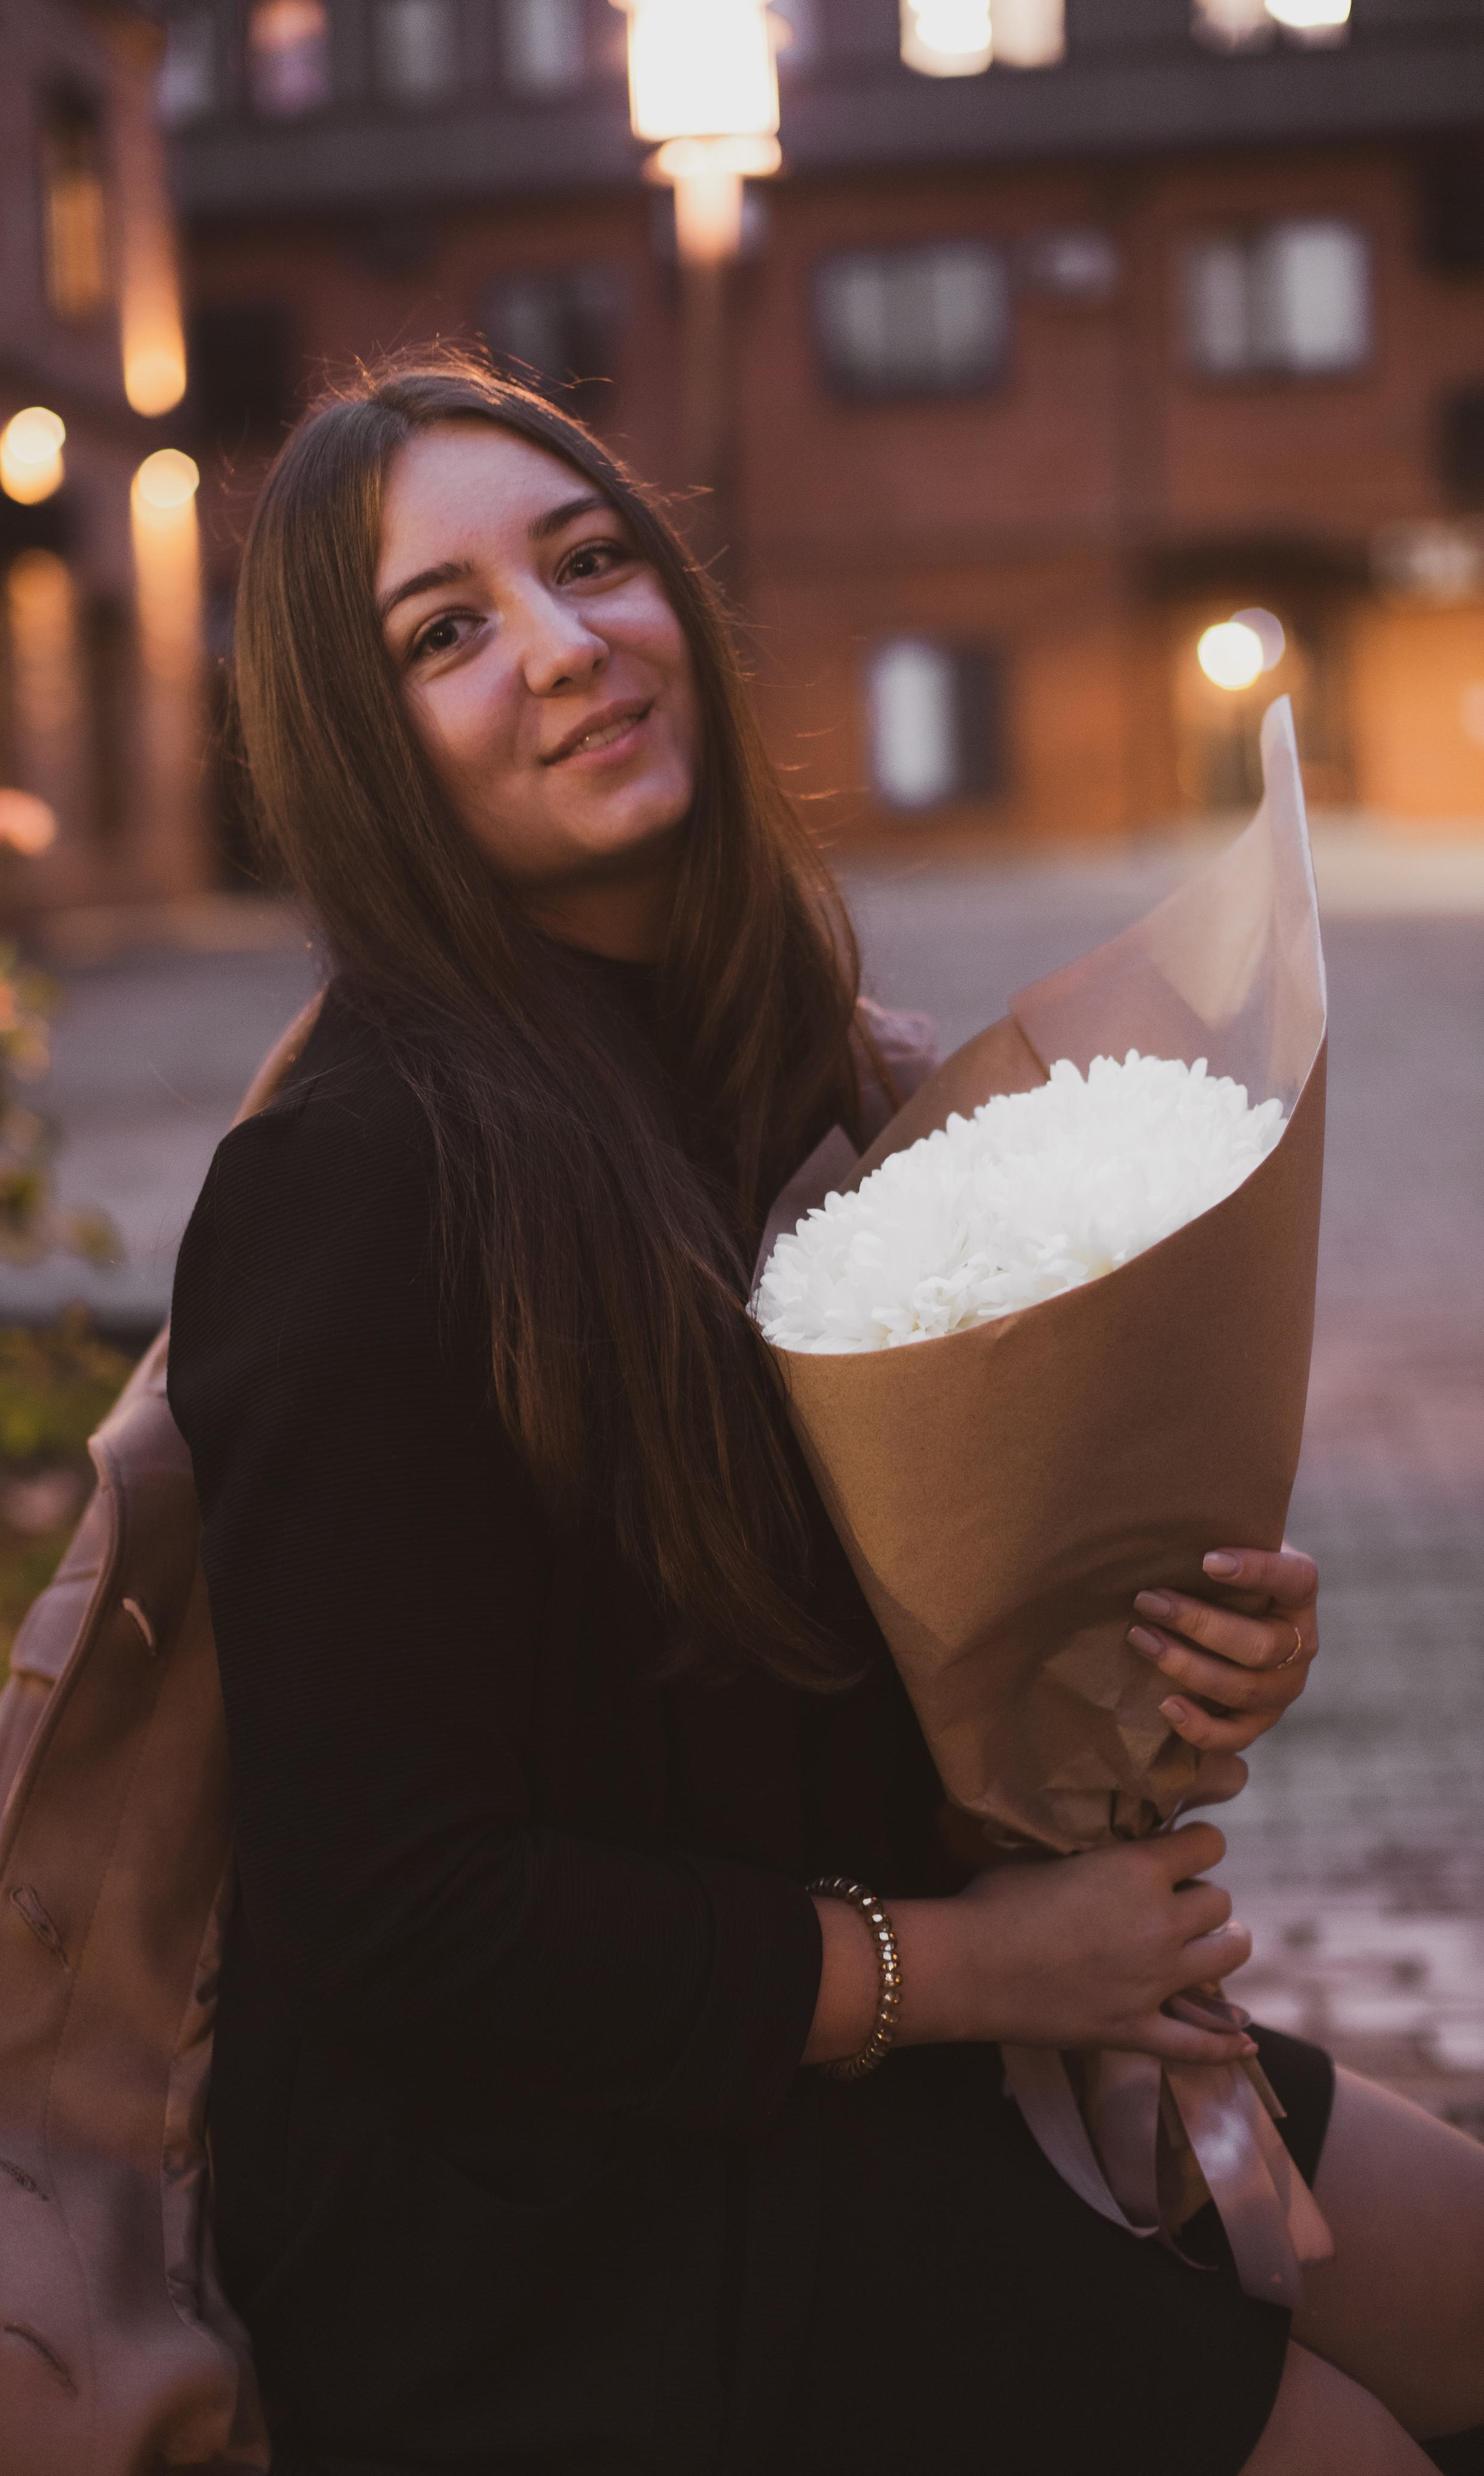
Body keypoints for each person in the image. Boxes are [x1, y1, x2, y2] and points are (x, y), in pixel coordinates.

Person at [168, 353, 1484, 2476]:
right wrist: (961, 1970)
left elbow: (884, 1660)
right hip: (545, 2216)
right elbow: (398, 1920)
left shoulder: (812, 1071)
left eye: (592, 561)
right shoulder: (355, 1187)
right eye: (449, 631)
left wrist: (1165, 1664)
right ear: (362, 748)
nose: (568, 644)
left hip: (872, 2036)